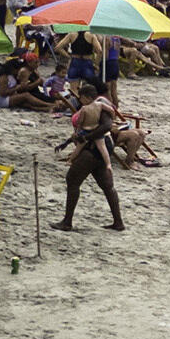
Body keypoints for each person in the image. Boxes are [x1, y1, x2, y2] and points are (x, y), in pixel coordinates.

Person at [51, 80, 125, 231]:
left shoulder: (99, 105)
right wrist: (67, 142)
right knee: (106, 184)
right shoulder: (98, 104)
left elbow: (106, 126)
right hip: (99, 146)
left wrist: (86, 138)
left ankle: (67, 221)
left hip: (92, 147)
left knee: (72, 180)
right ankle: (118, 222)